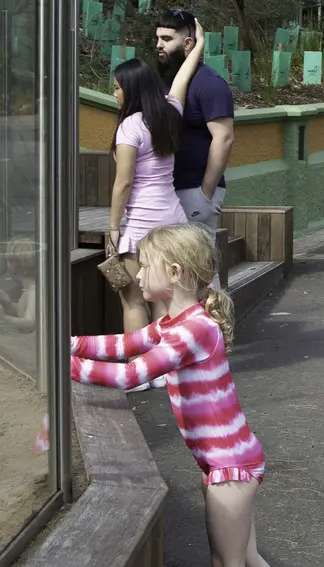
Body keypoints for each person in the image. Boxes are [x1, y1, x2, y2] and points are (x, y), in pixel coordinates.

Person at [69, 223, 305, 567]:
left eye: (146, 266)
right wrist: (67, 342)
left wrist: (60, 363)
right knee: (249, 560)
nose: (137, 275)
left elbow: (133, 373)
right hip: (231, 458)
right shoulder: (178, 323)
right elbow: (121, 346)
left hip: (229, 469)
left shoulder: (193, 329)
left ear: (174, 273)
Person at [107, 19, 205, 389]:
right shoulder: (168, 113)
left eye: (116, 88)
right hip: (173, 220)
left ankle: (137, 372)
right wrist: (197, 45)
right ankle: (166, 371)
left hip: (142, 224)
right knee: (165, 301)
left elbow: (124, 183)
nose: (114, 94)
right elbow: (183, 77)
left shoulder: (130, 126)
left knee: (133, 299)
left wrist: (114, 230)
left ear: (130, 89)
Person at [156, 10, 236, 248]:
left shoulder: (209, 83)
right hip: (164, 190)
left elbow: (224, 137)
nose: (159, 45)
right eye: (158, 38)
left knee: (198, 269)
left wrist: (205, 193)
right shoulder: (161, 80)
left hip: (194, 189)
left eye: (167, 39)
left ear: (188, 43)